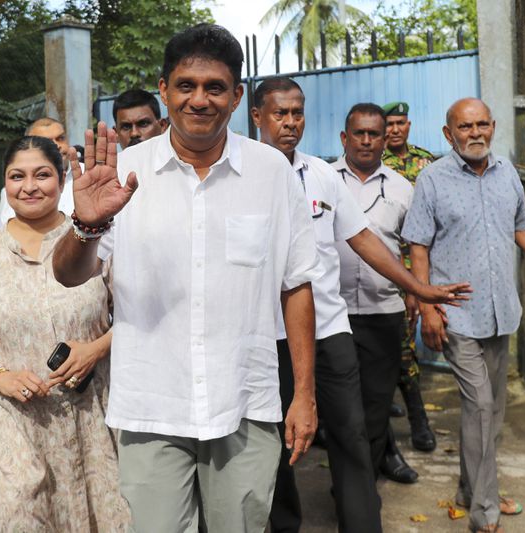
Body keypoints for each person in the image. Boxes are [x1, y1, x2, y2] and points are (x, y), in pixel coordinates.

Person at [53, 24, 322, 532]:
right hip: (153, 405)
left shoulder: (271, 173)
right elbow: (68, 275)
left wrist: (303, 393)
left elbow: (297, 285)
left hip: (244, 400)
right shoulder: (123, 173)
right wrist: (87, 224)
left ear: (238, 96)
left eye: (215, 87)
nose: (200, 100)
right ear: (164, 91)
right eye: (186, 86)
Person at [251, 80, 470, 532]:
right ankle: (284, 523)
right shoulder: (244, 176)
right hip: (267, 334)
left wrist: (417, 287)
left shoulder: (322, 175)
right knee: (276, 441)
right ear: (257, 116)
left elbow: (363, 238)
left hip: (330, 331)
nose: (290, 122)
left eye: (297, 112)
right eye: (280, 113)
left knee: (351, 434)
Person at [0, 135, 129, 531]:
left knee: (104, 517)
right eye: (17, 176)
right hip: (12, 421)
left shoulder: (99, 243)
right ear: (5, 185)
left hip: (92, 416)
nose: (29, 186)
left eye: (42, 174)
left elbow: (136, 317)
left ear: (62, 183)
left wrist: (96, 349)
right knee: (22, 515)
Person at [401, 98, 525, 533]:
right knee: (481, 406)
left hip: (500, 310)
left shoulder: (506, 172)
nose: (475, 133)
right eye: (465, 126)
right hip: (457, 313)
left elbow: (519, 225)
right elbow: (418, 245)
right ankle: (484, 512)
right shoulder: (432, 179)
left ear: (492, 127)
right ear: (448, 133)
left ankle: (470, 489)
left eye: (482, 125)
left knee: (492, 411)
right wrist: (429, 305)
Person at [381, 100, 438, 452]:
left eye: (400, 123)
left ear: (409, 125)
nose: (394, 130)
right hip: (384, 266)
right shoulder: (374, 163)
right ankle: (405, 416)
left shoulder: (426, 162)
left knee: (404, 344)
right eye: (389, 124)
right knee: (393, 345)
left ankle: (418, 420)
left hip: (417, 267)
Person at [0, 117, 75, 221]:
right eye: (45, 142)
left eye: (60, 138)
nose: (56, 146)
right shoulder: (12, 191)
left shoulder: (89, 177)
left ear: (62, 180)